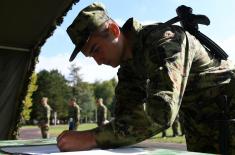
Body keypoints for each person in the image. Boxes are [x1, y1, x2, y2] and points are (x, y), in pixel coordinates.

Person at [57, 2, 235, 154]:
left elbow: (161, 112)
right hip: (202, 129)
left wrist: (91, 137)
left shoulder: (164, 41)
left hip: (228, 120)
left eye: (96, 49)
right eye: (90, 56)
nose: (98, 61)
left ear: (113, 29)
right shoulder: (129, 67)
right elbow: (125, 119)